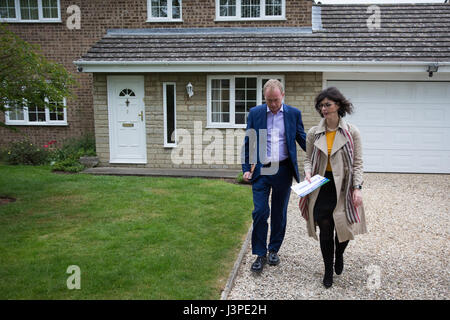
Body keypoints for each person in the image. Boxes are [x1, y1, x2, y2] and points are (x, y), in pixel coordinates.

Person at [300, 86, 367, 288]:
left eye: (327, 105)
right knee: (326, 227)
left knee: (343, 227)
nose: (324, 109)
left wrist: (357, 188)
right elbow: (307, 159)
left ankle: (339, 254)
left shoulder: (352, 132)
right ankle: (328, 269)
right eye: (321, 106)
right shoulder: (314, 133)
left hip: (343, 187)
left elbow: (358, 162)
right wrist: (308, 172)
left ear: (338, 105)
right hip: (322, 186)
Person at [242, 79, 306, 273]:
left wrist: (321, 156)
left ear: (283, 95)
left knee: (279, 212)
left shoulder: (294, 114)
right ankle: (259, 254)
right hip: (261, 170)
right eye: (269, 100)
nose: (273, 104)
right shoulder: (256, 113)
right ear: (265, 98)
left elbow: (302, 139)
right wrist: (246, 167)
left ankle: (273, 250)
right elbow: (249, 141)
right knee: (260, 212)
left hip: (283, 170)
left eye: (276, 100)